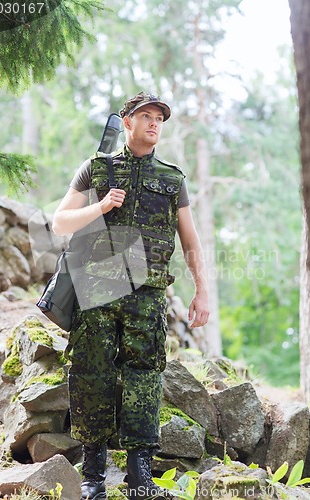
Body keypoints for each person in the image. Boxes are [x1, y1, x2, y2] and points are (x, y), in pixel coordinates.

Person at [52, 91, 209, 500]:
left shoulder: (172, 179)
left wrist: (202, 291)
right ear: (127, 122)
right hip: (97, 291)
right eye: (146, 116)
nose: (154, 123)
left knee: (146, 380)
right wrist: (100, 206)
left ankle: (140, 480)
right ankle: (92, 478)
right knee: (91, 376)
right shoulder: (96, 168)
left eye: (160, 117)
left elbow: (190, 240)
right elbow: (59, 222)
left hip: (147, 294)